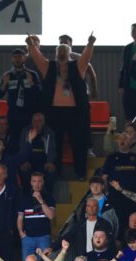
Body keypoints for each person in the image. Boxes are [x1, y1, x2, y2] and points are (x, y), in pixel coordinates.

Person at [26, 32, 95, 179]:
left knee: (78, 144)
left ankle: (80, 173)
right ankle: (55, 173)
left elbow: (86, 56)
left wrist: (90, 44)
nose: (62, 53)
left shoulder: (78, 66)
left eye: (65, 51)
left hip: (74, 112)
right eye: (60, 51)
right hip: (53, 112)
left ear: (70, 53)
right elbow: (37, 57)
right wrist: (31, 45)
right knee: (54, 145)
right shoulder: (48, 66)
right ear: (56, 54)